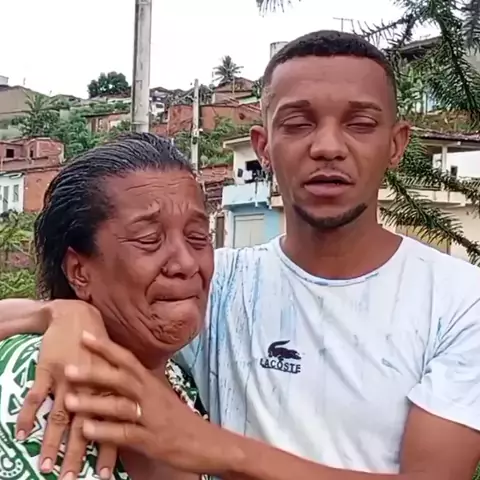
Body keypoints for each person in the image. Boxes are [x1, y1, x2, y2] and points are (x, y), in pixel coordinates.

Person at [2, 29, 480, 480]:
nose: (328, 147)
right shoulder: (217, 285)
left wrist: (205, 444)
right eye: (298, 123)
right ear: (263, 147)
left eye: (360, 124)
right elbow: (111, 309)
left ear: (396, 144)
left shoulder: (459, 302)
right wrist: (62, 313)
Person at [0, 133, 213, 480]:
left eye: (198, 237)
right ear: (79, 271)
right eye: (149, 240)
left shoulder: (181, 382)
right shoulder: (37, 378)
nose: (187, 263)